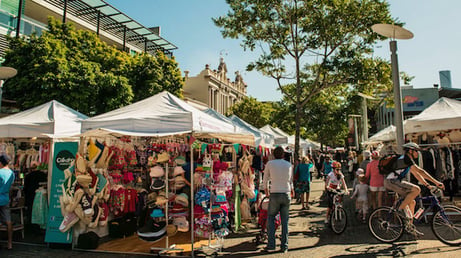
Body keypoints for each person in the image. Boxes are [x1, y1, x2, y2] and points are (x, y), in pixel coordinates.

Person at [383, 142, 445, 236]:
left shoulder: (407, 160)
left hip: (395, 181)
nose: (418, 153)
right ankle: (400, 209)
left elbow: (417, 174)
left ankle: (410, 227)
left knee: (412, 202)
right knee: (417, 189)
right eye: (416, 151)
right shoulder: (406, 159)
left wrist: (428, 185)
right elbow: (421, 171)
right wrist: (436, 182)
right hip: (391, 181)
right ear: (411, 151)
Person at [262, 146, 293, 253]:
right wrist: (292, 190)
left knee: (270, 218)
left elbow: (265, 179)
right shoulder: (288, 165)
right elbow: (290, 180)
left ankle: (271, 244)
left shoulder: (270, 164)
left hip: (274, 193)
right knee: (285, 221)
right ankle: (284, 246)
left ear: (273, 154)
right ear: (283, 155)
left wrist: (266, 191)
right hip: (286, 193)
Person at [0, 154, 15, 250]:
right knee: (8, 221)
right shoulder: (12, 173)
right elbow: (11, 188)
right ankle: (10, 243)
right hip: (5, 198)